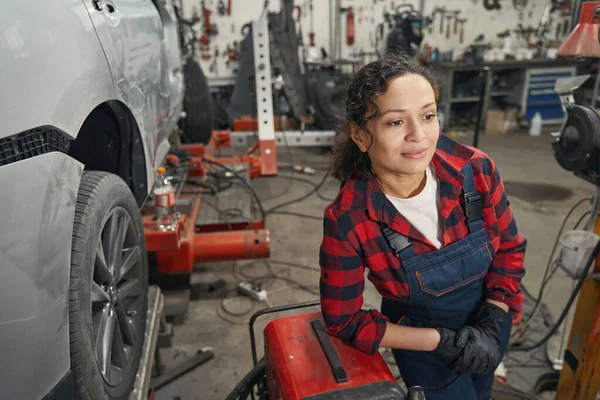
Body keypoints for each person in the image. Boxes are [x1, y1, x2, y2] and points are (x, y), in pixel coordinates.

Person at [319, 53, 526, 400]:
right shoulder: (349, 218)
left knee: (481, 393)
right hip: (424, 348)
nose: (419, 136)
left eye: (428, 116)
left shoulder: (476, 170)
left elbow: (508, 247)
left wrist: (495, 314)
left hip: (491, 324)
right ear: (360, 134)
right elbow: (344, 320)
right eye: (396, 123)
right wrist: (440, 341)